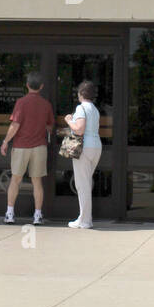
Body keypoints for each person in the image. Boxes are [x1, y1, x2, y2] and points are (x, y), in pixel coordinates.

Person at [0, 71, 54, 225]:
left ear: (27, 85)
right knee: (37, 182)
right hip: (39, 147)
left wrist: (5, 141)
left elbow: (15, 124)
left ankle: (10, 214)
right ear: (41, 87)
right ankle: (37, 215)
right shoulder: (46, 104)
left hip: (21, 146)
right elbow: (49, 126)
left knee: (15, 180)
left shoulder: (21, 103)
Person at [64, 80, 102, 229]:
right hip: (96, 146)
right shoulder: (95, 109)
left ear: (80, 94)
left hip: (83, 147)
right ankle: (84, 218)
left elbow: (79, 129)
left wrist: (68, 121)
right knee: (85, 183)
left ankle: (85, 220)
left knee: (82, 184)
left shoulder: (81, 108)